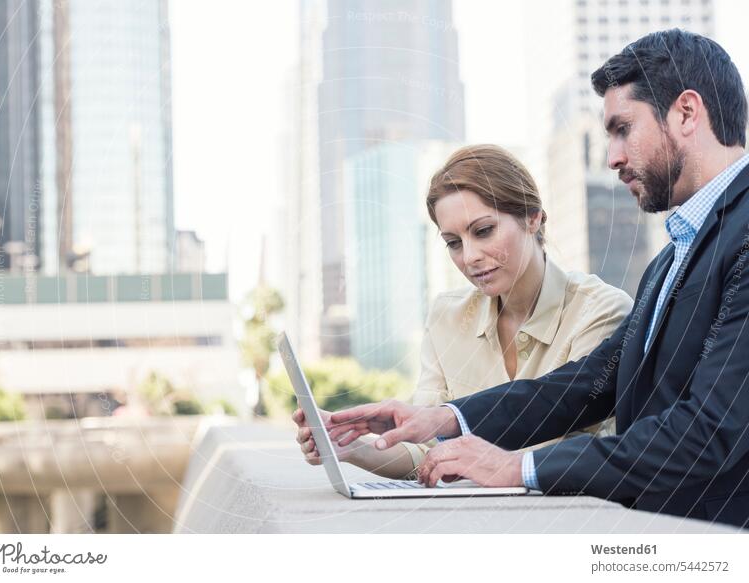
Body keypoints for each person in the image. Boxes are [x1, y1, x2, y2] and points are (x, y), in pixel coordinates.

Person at [326, 29, 749, 528]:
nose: (612, 156)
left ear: (685, 111)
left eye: (622, 129)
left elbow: (712, 428)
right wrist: (444, 418)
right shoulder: (669, 259)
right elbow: (591, 384)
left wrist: (516, 466)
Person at [293, 144, 632, 480]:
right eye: (454, 242)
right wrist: (350, 449)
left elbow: (577, 445)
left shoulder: (600, 310)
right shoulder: (447, 316)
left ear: (533, 218)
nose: (469, 257)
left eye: (483, 231)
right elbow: (425, 451)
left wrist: (463, 445)